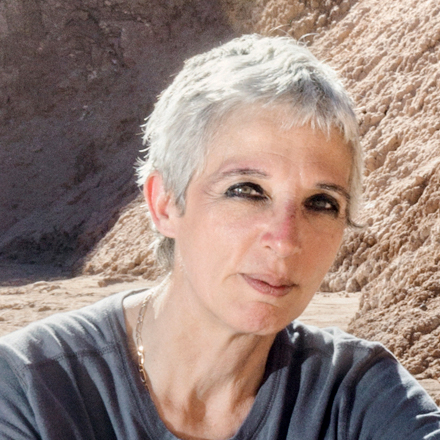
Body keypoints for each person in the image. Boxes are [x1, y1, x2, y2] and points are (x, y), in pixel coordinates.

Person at [0, 34, 439, 440]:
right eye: (246, 191)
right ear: (165, 203)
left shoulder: (356, 397)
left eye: (321, 203)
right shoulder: (31, 390)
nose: (285, 240)